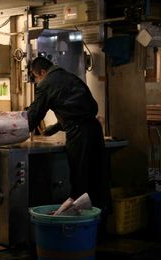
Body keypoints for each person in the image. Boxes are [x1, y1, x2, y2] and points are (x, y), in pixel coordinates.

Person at [26, 56, 109, 219]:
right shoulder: (70, 77)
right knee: (96, 179)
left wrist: (15, 131)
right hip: (94, 131)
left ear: (42, 72)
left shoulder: (46, 83)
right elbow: (82, 108)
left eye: (36, 77)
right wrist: (56, 127)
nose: (37, 81)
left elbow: (34, 116)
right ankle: (98, 224)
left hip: (80, 136)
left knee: (80, 181)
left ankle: (78, 224)